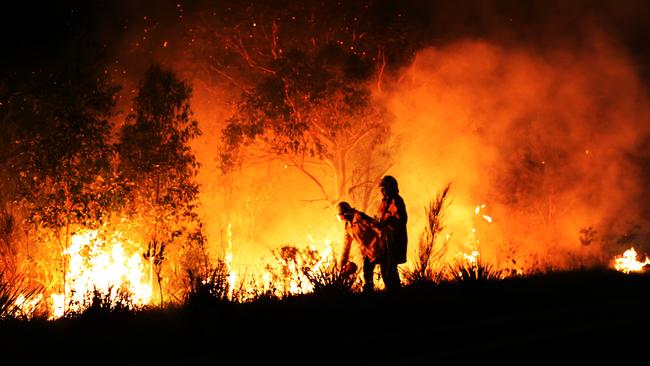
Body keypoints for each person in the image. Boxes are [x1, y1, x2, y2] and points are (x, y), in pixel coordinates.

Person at [336, 201, 389, 292]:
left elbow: (373, 224)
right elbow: (346, 246)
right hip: (368, 253)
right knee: (367, 273)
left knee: (387, 274)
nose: (341, 218)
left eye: (341, 215)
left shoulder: (359, 217)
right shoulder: (348, 227)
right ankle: (369, 292)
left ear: (345, 213)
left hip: (379, 249)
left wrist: (383, 236)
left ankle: (393, 293)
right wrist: (342, 263)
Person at [375, 175, 408, 292]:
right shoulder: (384, 202)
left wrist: (389, 221)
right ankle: (391, 292)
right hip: (385, 240)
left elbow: (402, 220)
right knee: (384, 267)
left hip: (394, 240)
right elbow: (381, 218)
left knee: (390, 268)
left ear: (389, 188)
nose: (381, 191)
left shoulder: (397, 201)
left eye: (383, 188)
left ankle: (395, 293)